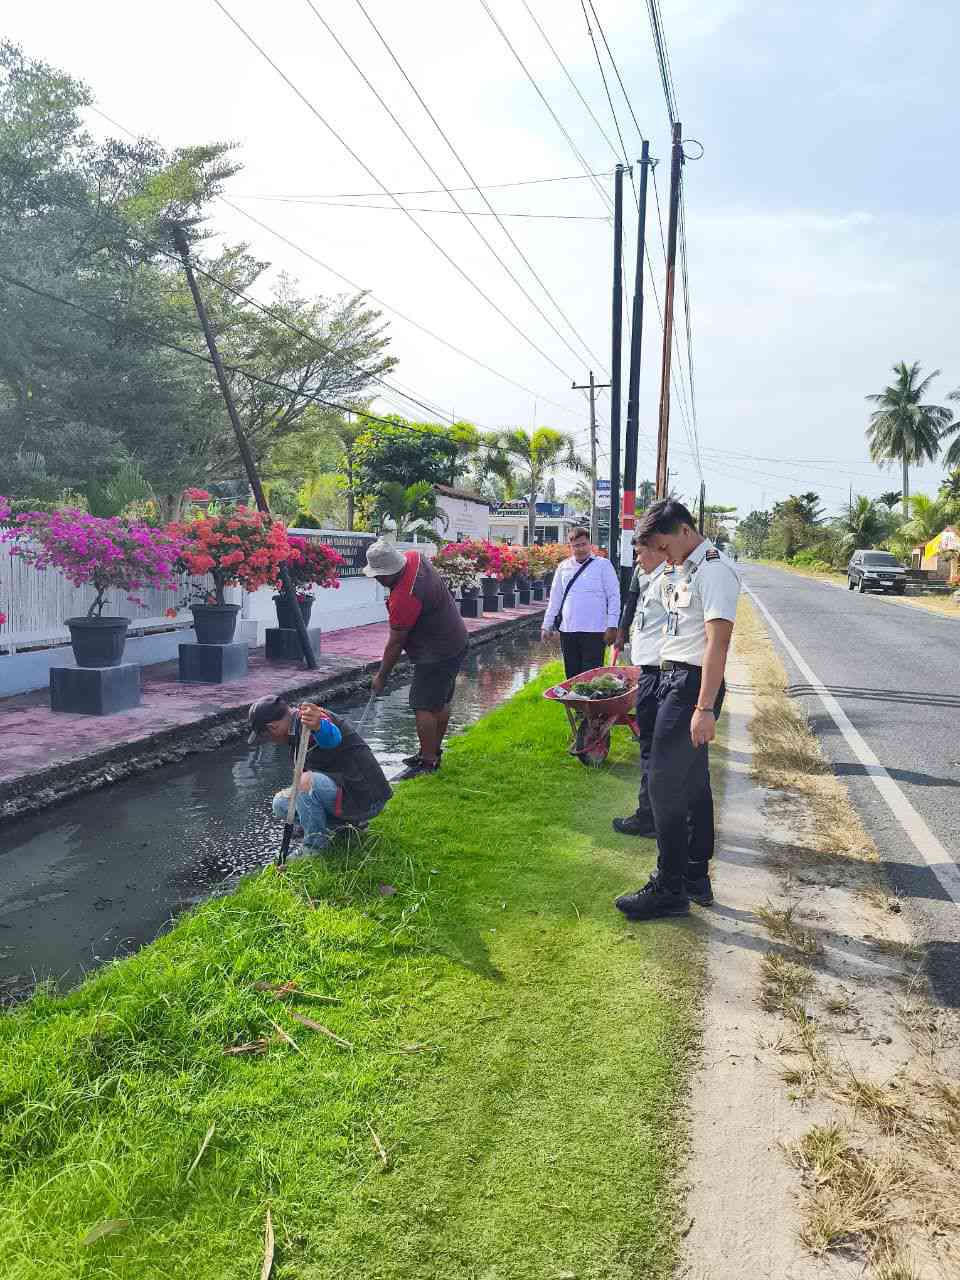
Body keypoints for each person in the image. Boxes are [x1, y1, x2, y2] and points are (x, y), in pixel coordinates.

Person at [614, 500, 741, 920]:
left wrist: (705, 707)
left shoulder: (715, 570)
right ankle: (692, 875)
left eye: (664, 546)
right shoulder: (683, 567)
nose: (662, 557)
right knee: (691, 782)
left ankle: (668, 887)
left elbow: (716, 644)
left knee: (664, 785)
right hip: (670, 678)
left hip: (691, 684)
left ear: (684, 530)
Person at [364, 538, 469, 780]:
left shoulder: (404, 597)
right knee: (440, 702)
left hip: (436, 652)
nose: (377, 579)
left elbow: (396, 643)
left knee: (422, 705)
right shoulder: (415, 557)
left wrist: (381, 676)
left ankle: (427, 763)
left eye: (379, 575)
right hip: (456, 640)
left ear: (390, 572)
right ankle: (430, 751)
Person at [246, 695, 392, 852]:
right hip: (347, 791)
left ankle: (315, 848)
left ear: (272, 727)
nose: (270, 741)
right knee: (281, 804)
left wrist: (318, 726)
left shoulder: (312, 721)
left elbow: (331, 738)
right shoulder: (294, 733)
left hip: (367, 798)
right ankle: (343, 827)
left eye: (265, 736)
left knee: (305, 782)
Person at [611, 535, 669, 838]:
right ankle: (652, 815)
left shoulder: (669, 580)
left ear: (659, 549)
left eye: (640, 552)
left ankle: (649, 817)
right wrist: (622, 634)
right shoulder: (646, 574)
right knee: (651, 748)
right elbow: (631, 604)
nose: (636, 559)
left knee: (653, 749)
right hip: (650, 671)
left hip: (661, 672)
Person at [541, 527, 621, 678]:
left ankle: (590, 703)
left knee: (591, 677)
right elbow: (555, 598)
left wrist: (612, 625)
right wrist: (546, 625)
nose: (581, 549)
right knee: (572, 677)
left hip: (595, 631)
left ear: (590, 544)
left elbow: (614, 597)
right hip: (568, 631)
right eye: (576, 545)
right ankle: (573, 702)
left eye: (584, 544)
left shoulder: (603, 565)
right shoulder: (563, 567)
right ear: (570, 547)